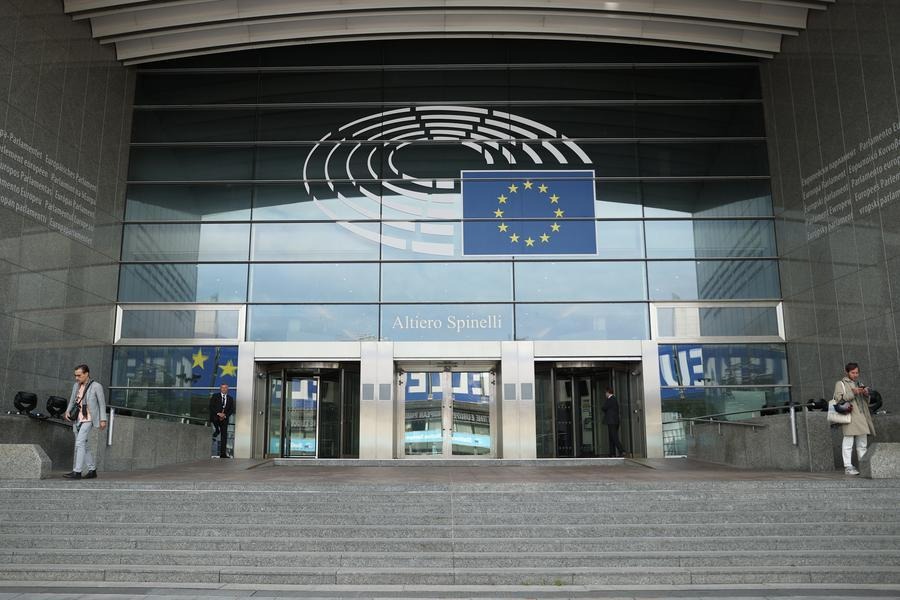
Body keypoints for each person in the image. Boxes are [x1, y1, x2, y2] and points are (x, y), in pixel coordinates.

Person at [62, 364, 107, 480]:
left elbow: (102, 404)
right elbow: (72, 401)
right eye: (75, 375)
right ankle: (92, 470)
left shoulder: (97, 386)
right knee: (84, 445)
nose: (76, 378)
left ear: (86, 374)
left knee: (79, 443)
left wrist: (103, 419)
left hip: (89, 418)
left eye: (79, 375)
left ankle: (77, 471)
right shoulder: (76, 386)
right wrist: (67, 411)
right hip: (77, 418)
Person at [833, 362, 876, 475]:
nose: (855, 375)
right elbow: (839, 399)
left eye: (857, 372)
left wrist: (866, 394)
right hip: (850, 416)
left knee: (862, 444)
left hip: (862, 416)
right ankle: (848, 467)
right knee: (848, 442)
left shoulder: (860, 383)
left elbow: (866, 402)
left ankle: (864, 466)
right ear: (846, 372)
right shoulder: (841, 383)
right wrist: (853, 392)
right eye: (853, 372)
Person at [209, 383, 235, 458]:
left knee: (224, 436)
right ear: (220, 389)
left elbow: (231, 409)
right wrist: (218, 413)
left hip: (224, 419)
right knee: (215, 423)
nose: (224, 389)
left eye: (225, 387)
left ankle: (223, 454)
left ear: (227, 389)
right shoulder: (215, 396)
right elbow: (211, 406)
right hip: (216, 417)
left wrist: (225, 415)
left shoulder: (230, 398)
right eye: (222, 387)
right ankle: (217, 430)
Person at [601, 386, 627, 458]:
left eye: (605, 393)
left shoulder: (611, 399)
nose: (605, 394)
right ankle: (612, 453)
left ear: (608, 392)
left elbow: (604, 407)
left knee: (614, 437)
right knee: (611, 437)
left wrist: (605, 409)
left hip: (612, 422)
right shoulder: (614, 399)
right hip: (614, 421)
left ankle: (622, 451)